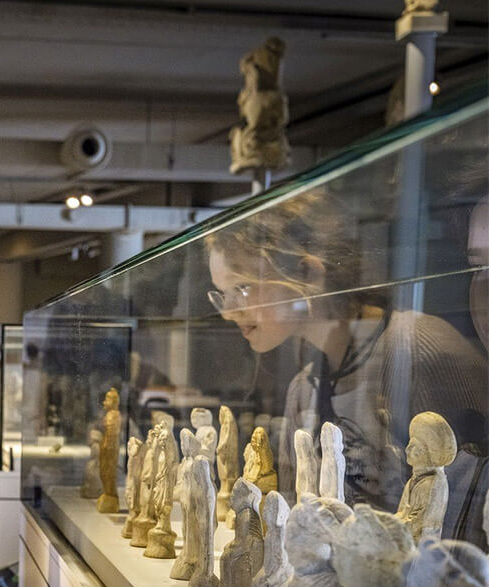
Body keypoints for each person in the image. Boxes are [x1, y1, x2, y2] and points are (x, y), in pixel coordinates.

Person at [206, 190, 488, 544]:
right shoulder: (303, 388)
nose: (228, 311)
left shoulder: (415, 348)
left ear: (308, 272)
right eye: (221, 294)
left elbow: (466, 511)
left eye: (241, 288)